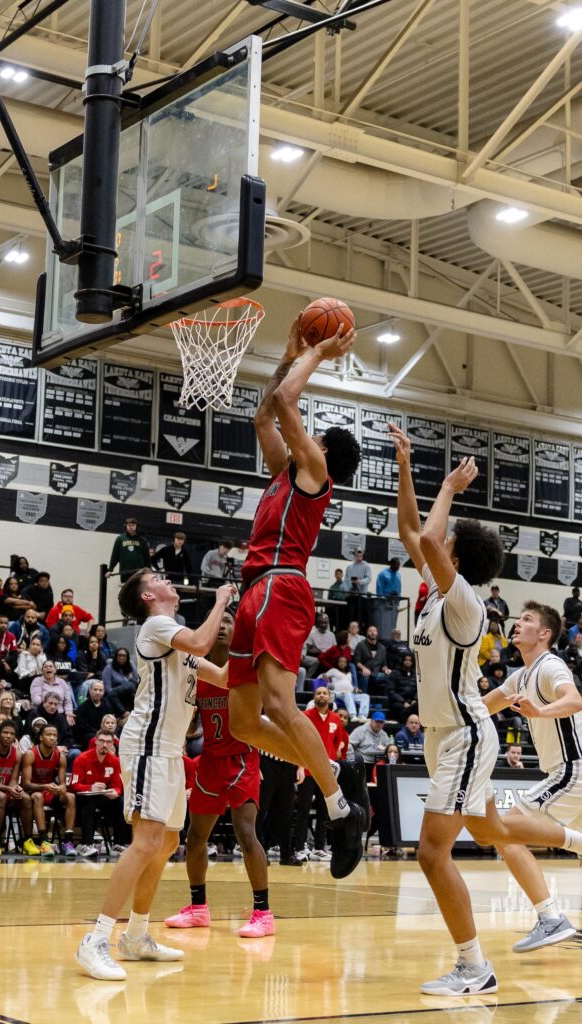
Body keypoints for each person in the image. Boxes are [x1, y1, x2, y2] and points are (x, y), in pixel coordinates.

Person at [388, 423, 582, 995]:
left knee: (431, 853)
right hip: (448, 734)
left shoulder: (463, 602)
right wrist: (415, 470)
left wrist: (444, 489)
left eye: (446, 548)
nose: (435, 548)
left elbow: (428, 541)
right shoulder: (439, 593)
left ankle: (473, 967)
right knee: (490, 828)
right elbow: (413, 531)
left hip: (464, 732)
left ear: (458, 559)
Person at [224, 315, 365, 881]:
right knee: (244, 724)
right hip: (255, 589)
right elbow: (266, 411)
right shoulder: (285, 470)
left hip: (283, 585)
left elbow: (286, 400)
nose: (303, 435)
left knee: (280, 707)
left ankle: (339, 807)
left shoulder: (312, 473)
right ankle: (330, 771)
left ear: (322, 450)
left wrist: (319, 355)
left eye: (312, 435)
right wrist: (289, 349)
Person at [75, 569, 236, 981]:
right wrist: (220, 601)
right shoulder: (158, 625)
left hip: (169, 751)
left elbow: (222, 676)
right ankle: (96, 939)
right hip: (146, 745)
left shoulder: (177, 636)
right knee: (146, 840)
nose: (169, 580)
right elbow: (203, 641)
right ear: (148, 594)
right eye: (160, 577)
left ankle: (136, 935)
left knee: (165, 843)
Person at [484, 601, 582, 956]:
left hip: (574, 771)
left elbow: (574, 698)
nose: (517, 623)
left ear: (544, 634)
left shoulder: (550, 666)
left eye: (526, 620)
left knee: (505, 830)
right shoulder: (520, 675)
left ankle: (551, 919)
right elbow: (484, 707)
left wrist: (540, 711)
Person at [166, 607, 275, 936]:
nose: (224, 627)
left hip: (243, 759)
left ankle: (263, 913)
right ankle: (198, 907)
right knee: (195, 837)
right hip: (211, 761)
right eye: (220, 622)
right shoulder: (197, 672)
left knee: (245, 833)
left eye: (230, 622)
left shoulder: (247, 671)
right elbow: (192, 723)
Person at [293, 686, 347, 861]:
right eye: (318, 693)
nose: (322, 695)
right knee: (303, 810)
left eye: (325, 693)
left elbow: (340, 741)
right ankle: (299, 847)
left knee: (325, 811)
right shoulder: (306, 716)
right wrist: (299, 765)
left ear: (330, 698)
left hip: (327, 772)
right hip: (308, 770)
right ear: (314, 697)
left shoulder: (336, 719)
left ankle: (318, 847)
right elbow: (298, 740)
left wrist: (338, 749)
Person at [0, 719, 37, 855]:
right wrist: (9, 789)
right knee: (1, 797)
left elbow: (13, 780)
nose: (9, 736)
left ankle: (27, 841)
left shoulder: (17, 754)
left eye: (12, 733)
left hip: (5, 789)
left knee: (25, 798)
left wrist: (16, 788)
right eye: (5, 733)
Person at [70, 730, 128, 858]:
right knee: (89, 803)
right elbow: (74, 785)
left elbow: (118, 785)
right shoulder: (82, 759)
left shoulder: (115, 761)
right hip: (84, 797)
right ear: (96, 741)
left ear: (113, 744)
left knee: (122, 801)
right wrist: (91, 787)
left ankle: (118, 844)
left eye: (108, 742)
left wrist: (115, 792)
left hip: (103, 797)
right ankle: (86, 844)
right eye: (101, 741)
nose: (105, 745)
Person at [21, 723, 77, 856]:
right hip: (33, 791)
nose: (52, 738)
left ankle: (68, 841)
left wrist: (61, 788)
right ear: (40, 737)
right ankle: (44, 841)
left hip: (49, 792)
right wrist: (45, 787)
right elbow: (25, 784)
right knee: (38, 796)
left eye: (54, 735)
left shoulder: (60, 756)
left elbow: (63, 784)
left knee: (70, 797)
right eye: (48, 735)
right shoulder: (31, 753)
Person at [107, 518, 151, 582]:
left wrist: (149, 569)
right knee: (126, 590)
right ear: (125, 526)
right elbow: (115, 555)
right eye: (129, 525)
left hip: (139, 571)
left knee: (137, 590)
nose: (131, 527)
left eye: (133, 525)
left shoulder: (142, 540)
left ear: (136, 526)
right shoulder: (120, 539)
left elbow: (146, 556)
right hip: (125, 571)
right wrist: (110, 570)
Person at [354, 625, 389, 694]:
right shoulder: (361, 645)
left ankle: (386, 700)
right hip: (363, 672)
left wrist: (386, 669)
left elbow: (384, 664)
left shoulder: (382, 648)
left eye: (374, 631)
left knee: (391, 676)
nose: (372, 632)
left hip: (376, 674)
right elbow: (357, 661)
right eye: (370, 631)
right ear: (367, 633)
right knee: (365, 675)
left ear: (377, 633)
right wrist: (364, 668)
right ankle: (363, 697)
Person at [303, 612, 337, 678]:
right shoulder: (312, 634)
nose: (323, 625)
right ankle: (307, 679)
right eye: (321, 622)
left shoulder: (331, 635)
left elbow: (334, 648)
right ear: (317, 623)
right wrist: (320, 652)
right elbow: (308, 648)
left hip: (329, 657)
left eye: (325, 623)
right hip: (318, 656)